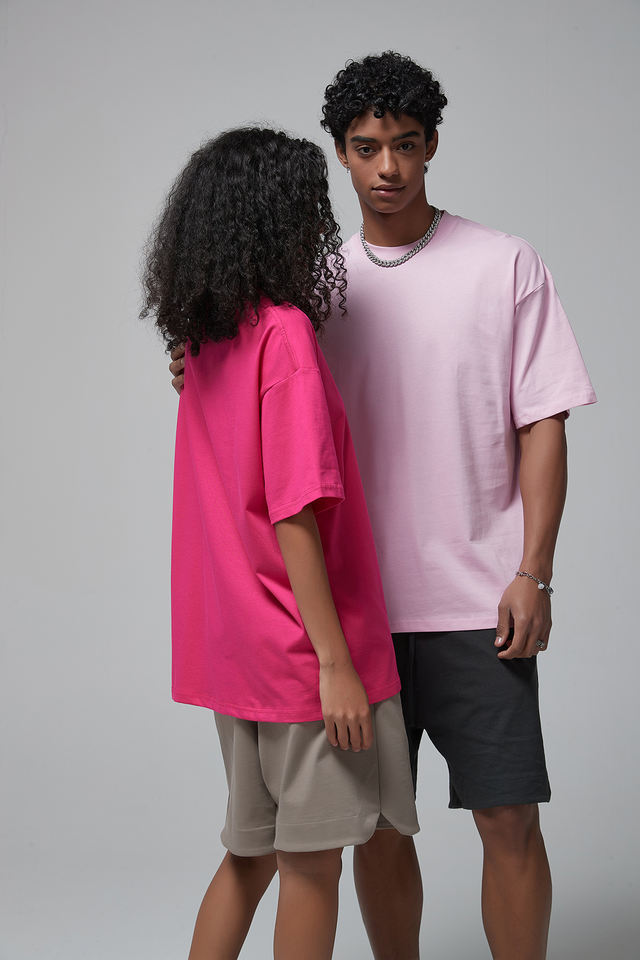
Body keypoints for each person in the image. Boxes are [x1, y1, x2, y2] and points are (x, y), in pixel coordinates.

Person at [169, 52, 597, 960]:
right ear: (340, 154)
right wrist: (190, 362)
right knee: (374, 832)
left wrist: (534, 571)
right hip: (346, 613)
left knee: (509, 819)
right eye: (367, 148)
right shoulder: (306, 283)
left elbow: (544, 423)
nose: (389, 167)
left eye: (406, 144)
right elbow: (250, 403)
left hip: (476, 603)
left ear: (433, 144)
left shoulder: (503, 263)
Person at [143, 127, 419, 960]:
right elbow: (295, 511)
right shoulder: (285, 334)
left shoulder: (205, 339)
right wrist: (336, 664)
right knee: (311, 866)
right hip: (301, 653)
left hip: (234, 650)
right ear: (278, 218)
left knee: (250, 857)